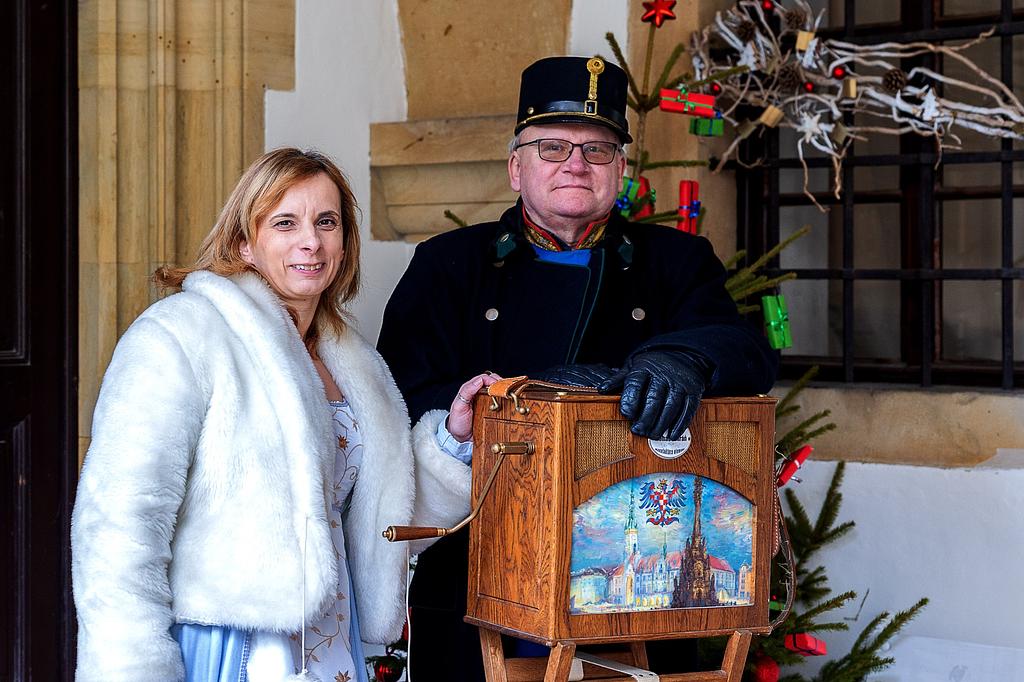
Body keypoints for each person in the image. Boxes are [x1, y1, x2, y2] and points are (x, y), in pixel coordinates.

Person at [377, 56, 778, 679]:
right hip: (479, 576)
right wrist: (519, 401)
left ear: (621, 168)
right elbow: (400, 393)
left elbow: (749, 352)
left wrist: (683, 357)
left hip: (632, 599)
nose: (575, 164)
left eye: (597, 149)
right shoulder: (448, 264)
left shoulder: (676, 261)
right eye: (552, 147)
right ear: (516, 167)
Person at [72, 147, 495, 682]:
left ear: (345, 242)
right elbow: (120, 525)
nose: (310, 242)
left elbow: (384, 522)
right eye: (285, 222)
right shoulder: (182, 334)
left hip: (332, 644)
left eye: (327, 222)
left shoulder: (357, 364)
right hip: (228, 645)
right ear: (244, 243)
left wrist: (453, 440)